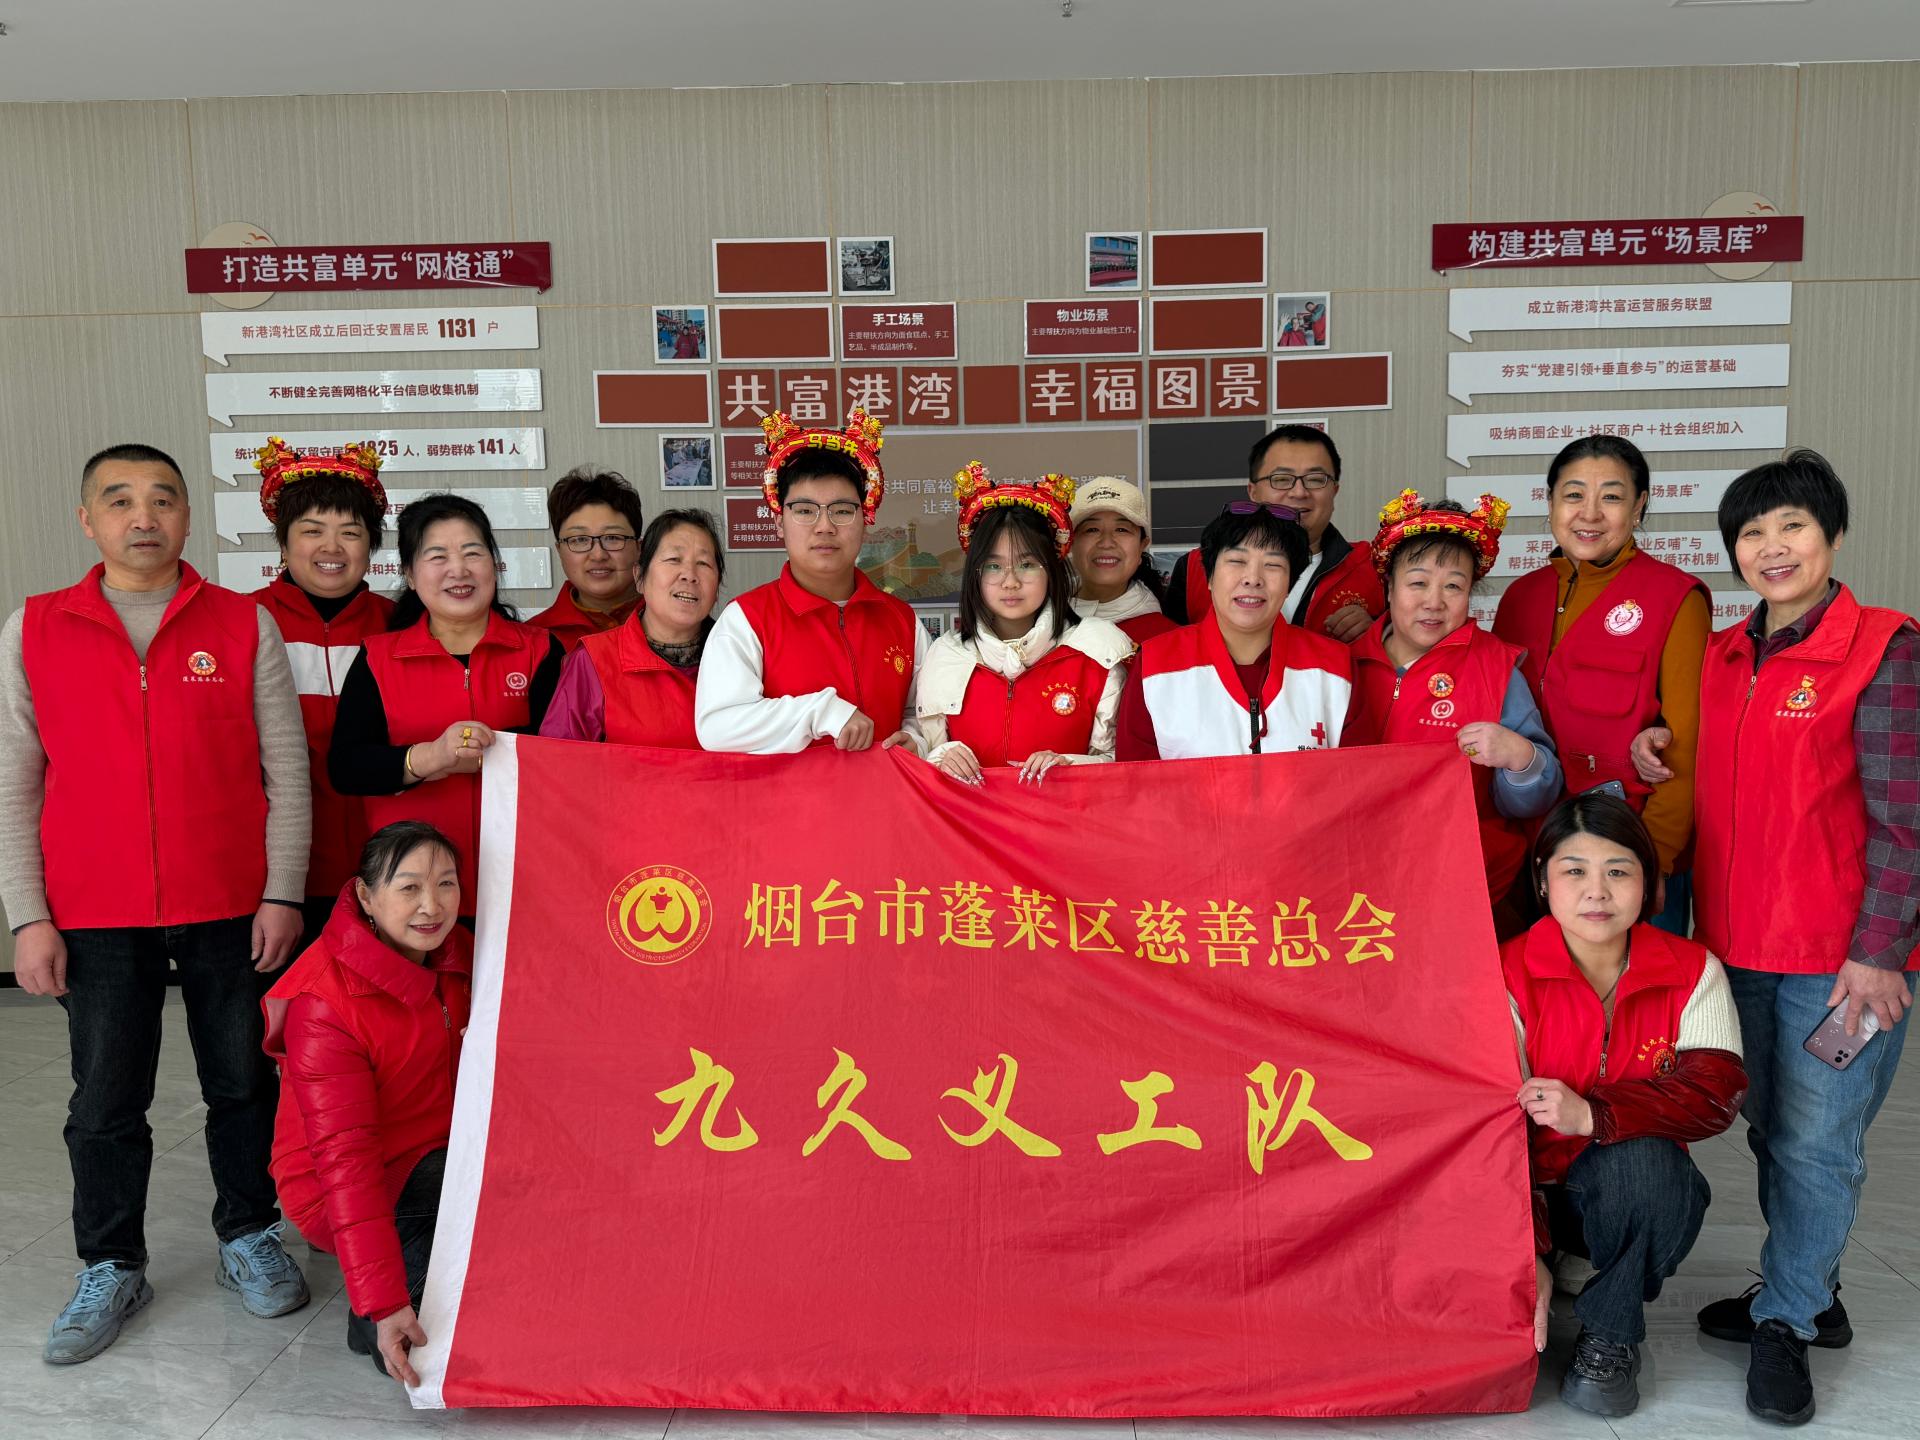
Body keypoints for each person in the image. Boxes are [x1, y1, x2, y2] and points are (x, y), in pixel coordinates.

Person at [0, 443, 313, 1365]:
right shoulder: (35, 628)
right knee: (105, 1098)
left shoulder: (242, 623)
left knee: (241, 1082)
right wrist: (28, 915)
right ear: (87, 519)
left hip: (229, 902)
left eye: (163, 499)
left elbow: (287, 773)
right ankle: (111, 1262)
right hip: (93, 909)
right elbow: (16, 783)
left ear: (186, 516)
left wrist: (281, 891)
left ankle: (248, 1233)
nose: (144, 517)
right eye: (120, 500)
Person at [1630, 449, 1916, 1427]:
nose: (1773, 547)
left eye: (1792, 525)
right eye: (1752, 532)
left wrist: (1880, 953)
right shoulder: (1721, 657)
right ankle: (1812, 1291)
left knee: (1818, 1143)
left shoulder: (1884, 649)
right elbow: (1704, 761)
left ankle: (1786, 1322)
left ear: (1831, 534)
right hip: (1734, 954)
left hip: (1840, 969)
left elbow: (1908, 819)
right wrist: (1652, 745)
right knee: (1770, 1130)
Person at [1505, 793, 1745, 1419]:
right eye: (1574, 870)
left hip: (1624, 1190)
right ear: (1543, 880)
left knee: (1647, 1166)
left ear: (1648, 882)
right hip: (1517, 1194)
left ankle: (1609, 1336)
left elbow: (1713, 1095)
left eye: (1618, 870)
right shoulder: (1503, 972)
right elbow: (1486, 1130)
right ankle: (1554, 1262)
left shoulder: (1693, 970)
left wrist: (1595, 1115)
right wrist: (1527, 1252)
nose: (1597, 892)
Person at [262, 821, 469, 1387]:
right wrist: (383, 1303)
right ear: (365, 896)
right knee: (437, 1345)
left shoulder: (459, 956)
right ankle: (372, 1311)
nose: (432, 906)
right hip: (346, 1181)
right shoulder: (325, 1004)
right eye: (409, 887)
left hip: (444, 1153)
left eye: (446, 884)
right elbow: (346, 1164)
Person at [1493, 435, 1707, 935]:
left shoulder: (1675, 598)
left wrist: (1654, 859)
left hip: (1627, 855)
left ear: (1639, 506)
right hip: (1532, 854)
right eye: (1573, 495)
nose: (1589, 513)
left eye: (1611, 496)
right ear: (1549, 503)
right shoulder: (1519, 598)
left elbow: (1689, 746)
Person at [328, 495, 563, 915]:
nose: (459, 569)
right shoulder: (378, 658)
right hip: (414, 893)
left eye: (473, 552)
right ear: (409, 574)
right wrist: (431, 757)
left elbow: (568, 752)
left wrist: (491, 751)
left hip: (527, 879)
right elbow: (347, 766)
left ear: (494, 564)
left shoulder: (541, 650)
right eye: (437, 556)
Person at [1345, 491, 1560, 933]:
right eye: (1418, 583)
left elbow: (1536, 797)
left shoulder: (1496, 668)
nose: (1434, 602)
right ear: (1388, 586)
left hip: (1470, 889)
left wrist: (1520, 758)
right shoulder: (1340, 665)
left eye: (1453, 586)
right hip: (1360, 886)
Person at [695, 408, 928, 755]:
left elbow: (924, 713)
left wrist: (917, 741)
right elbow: (717, 726)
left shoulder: (902, 621)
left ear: (865, 520)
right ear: (779, 522)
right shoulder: (748, 619)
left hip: (886, 791)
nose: (825, 527)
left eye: (842, 510)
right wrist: (821, 712)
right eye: (805, 511)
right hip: (786, 793)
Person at [248, 438, 397, 945]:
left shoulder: (402, 627)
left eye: (350, 533)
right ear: (283, 544)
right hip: (273, 881)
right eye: (312, 531)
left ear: (370, 547)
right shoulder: (240, 624)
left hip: (386, 871)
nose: (331, 548)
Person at [916, 465, 1133, 784]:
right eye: (994, 566)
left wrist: (1069, 765)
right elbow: (924, 755)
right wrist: (941, 757)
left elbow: (1125, 764)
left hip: (1069, 816)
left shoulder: (1099, 654)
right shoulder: (945, 656)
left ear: (1052, 570)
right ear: (975, 574)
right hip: (967, 818)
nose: (1010, 582)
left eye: (1027, 564)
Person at [1117, 502, 1350, 760]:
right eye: (1237, 561)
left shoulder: (1338, 668)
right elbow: (1135, 780)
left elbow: (1360, 778)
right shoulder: (1154, 665)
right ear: (1209, 577)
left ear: (1289, 585)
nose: (1253, 578)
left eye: (1273, 565)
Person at [1164, 424, 1383, 642]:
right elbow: (1171, 649)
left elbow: (1398, 646)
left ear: (1334, 491)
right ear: (1253, 492)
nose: (1299, 492)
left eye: (1316, 479)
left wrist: (1379, 634)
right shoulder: (1195, 566)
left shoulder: (1375, 566)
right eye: (1281, 479)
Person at [541, 509, 724, 746]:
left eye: (703, 563)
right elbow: (557, 759)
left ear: (716, 588)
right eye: (673, 559)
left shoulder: (740, 657)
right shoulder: (593, 661)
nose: (689, 575)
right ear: (639, 577)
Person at [526, 467, 645, 651]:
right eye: (580, 540)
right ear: (559, 550)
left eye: (612, 537)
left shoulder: (678, 624)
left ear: (639, 548)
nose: (598, 555)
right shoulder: (531, 640)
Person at [1064, 475, 1176, 644]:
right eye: (1092, 529)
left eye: (1122, 530)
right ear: (1070, 543)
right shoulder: (1038, 620)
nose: (1106, 543)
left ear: (1142, 546)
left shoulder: (1167, 639)